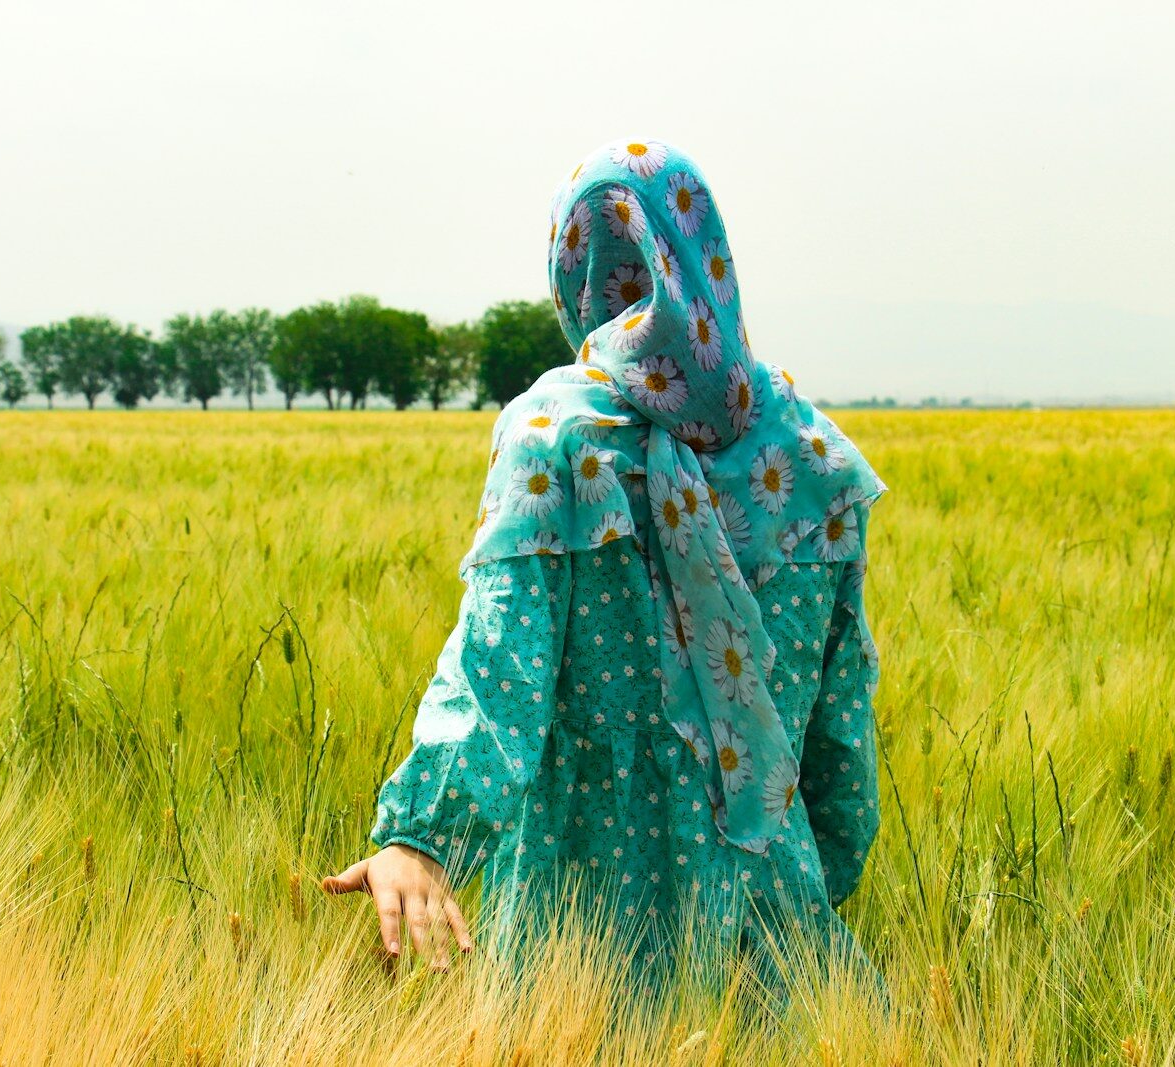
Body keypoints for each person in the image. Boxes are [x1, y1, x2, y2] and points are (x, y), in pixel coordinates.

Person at [323, 139, 886, 994]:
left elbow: (497, 669)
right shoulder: (816, 464)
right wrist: (807, 874)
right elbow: (843, 743)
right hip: (771, 937)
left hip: (579, 938)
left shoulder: (555, 440)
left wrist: (423, 834)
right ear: (706, 257)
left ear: (575, 276)